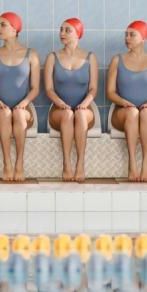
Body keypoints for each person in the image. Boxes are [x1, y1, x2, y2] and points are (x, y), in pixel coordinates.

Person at [0, 12, 41, 182]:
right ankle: (7, 164)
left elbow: (35, 88)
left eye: (3, 25)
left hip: (24, 110)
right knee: (6, 114)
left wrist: (24, 103)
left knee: (18, 114)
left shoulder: (31, 54)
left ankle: (19, 163)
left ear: (15, 29)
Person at [106, 20, 147, 182]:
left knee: (146, 113)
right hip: (122, 113)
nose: (127, 38)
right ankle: (132, 165)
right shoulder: (117, 60)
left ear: (143, 37)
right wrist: (124, 102)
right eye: (126, 35)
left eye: (132, 34)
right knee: (133, 112)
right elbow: (110, 93)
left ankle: (145, 165)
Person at [44, 18, 98, 182]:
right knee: (68, 114)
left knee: (80, 115)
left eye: (68, 30)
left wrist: (85, 104)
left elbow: (93, 88)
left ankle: (80, 164)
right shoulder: (52, 57)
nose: (62, 34)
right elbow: (49, 89)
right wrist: (59, 102)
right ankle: (67, 164)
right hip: (59, 111)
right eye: (61, 30)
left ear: (78, 33)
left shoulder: (90, 57)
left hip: (84, 108)